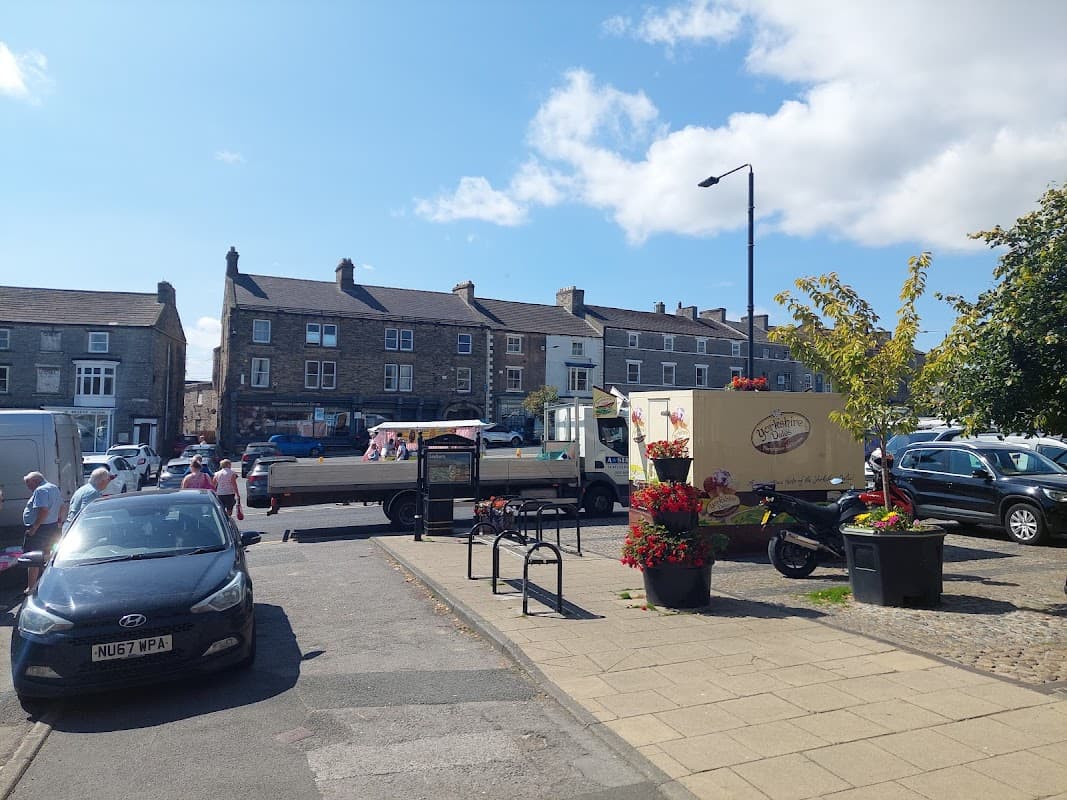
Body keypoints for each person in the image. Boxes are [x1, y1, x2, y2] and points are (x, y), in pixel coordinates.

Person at [22, 472, 64, 594]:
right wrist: (59, 522)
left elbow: (43, 511)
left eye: (28, 484)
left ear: (35, 481)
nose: (28, 487)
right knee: (48, 555)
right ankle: (48, 582)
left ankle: (31, 588)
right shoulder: (53, 487)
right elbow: (62, 506)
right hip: (52, 527)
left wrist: (34, 528)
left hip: (40, 529)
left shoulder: (40, 490)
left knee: (33, 558)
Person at [64, 467, 112, 532]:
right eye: (108, 480)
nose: (108, 483)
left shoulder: (82, 489)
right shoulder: (93, 493)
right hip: (79, 529)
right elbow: (86, 513)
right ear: (102, 481)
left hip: (70, 526)